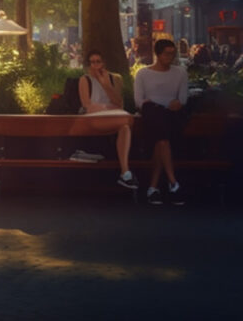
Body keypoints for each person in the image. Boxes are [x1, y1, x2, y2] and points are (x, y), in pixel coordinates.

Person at [134, 38, 189, 206]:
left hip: (171, 115)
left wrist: (177, 103)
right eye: (167, 53)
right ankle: (173, 183)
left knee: (160, 140)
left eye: (173, 54)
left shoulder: (180, 72)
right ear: (158, 54)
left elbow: (183, 98)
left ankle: (153, 188)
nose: (170, 57)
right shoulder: (143, 73)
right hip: (152, 113)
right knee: (161, 135)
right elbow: (139, 101)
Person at [78, 49, 136, 190]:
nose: (95, 65)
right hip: (95, 119)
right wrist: (107, 107)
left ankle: (125, 171)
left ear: (104, 63)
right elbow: (87, 106)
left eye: (98, 62)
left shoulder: (114, 78)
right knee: (127, 120)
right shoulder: (85, 80)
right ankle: (126, 173)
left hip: (114, 117)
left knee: (126, 127)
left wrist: (105, 83)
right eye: (92, 62)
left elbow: (119, 102)